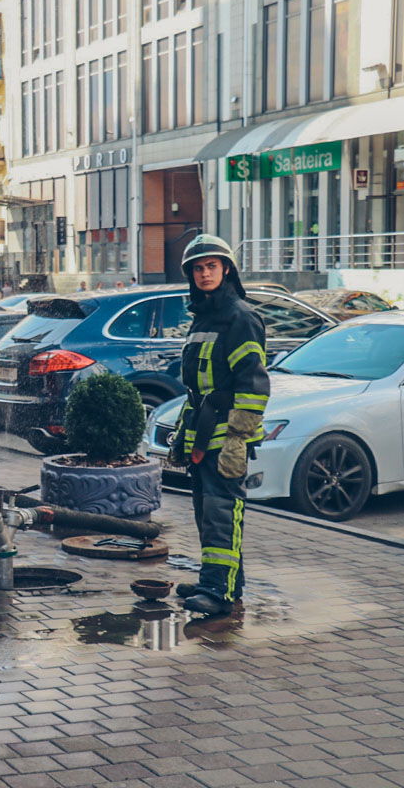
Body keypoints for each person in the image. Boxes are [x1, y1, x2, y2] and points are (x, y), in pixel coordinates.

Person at [168, 235, 269, 617]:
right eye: (198, 268)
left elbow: (254, 384)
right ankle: (223, 580)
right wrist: (182, 433)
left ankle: (218, 593)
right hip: (204, 432)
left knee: (222, 513)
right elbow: (198, 390)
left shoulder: (240, 317)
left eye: (211, 266)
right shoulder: (204, 318)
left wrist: (237, 440)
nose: (204, 273)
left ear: (226, 269)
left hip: (227, 437)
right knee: (207, 514)